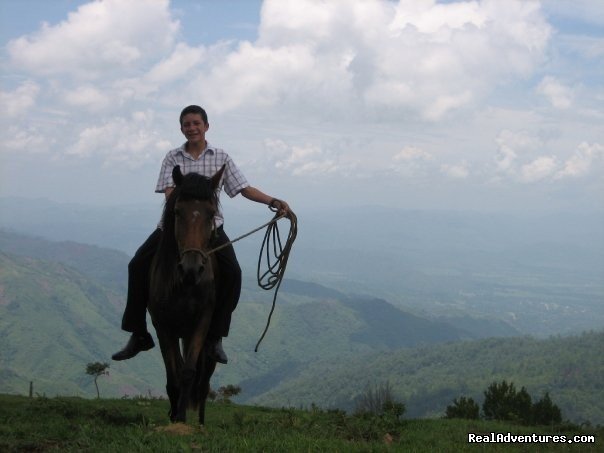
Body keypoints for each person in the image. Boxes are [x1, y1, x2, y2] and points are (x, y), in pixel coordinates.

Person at [112, 105, 290, 364]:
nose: (191, 128)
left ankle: (216, 335)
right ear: (181, 129)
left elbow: (243, 188)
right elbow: (170, 195)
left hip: (211, 230)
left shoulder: (221, 157)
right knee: (137, 265)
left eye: (196, 123)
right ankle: (138, 333)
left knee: (233, 273)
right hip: (174, 230)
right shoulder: (173, 158)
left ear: (206, 126)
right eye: (186, 124)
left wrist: (272, 201)